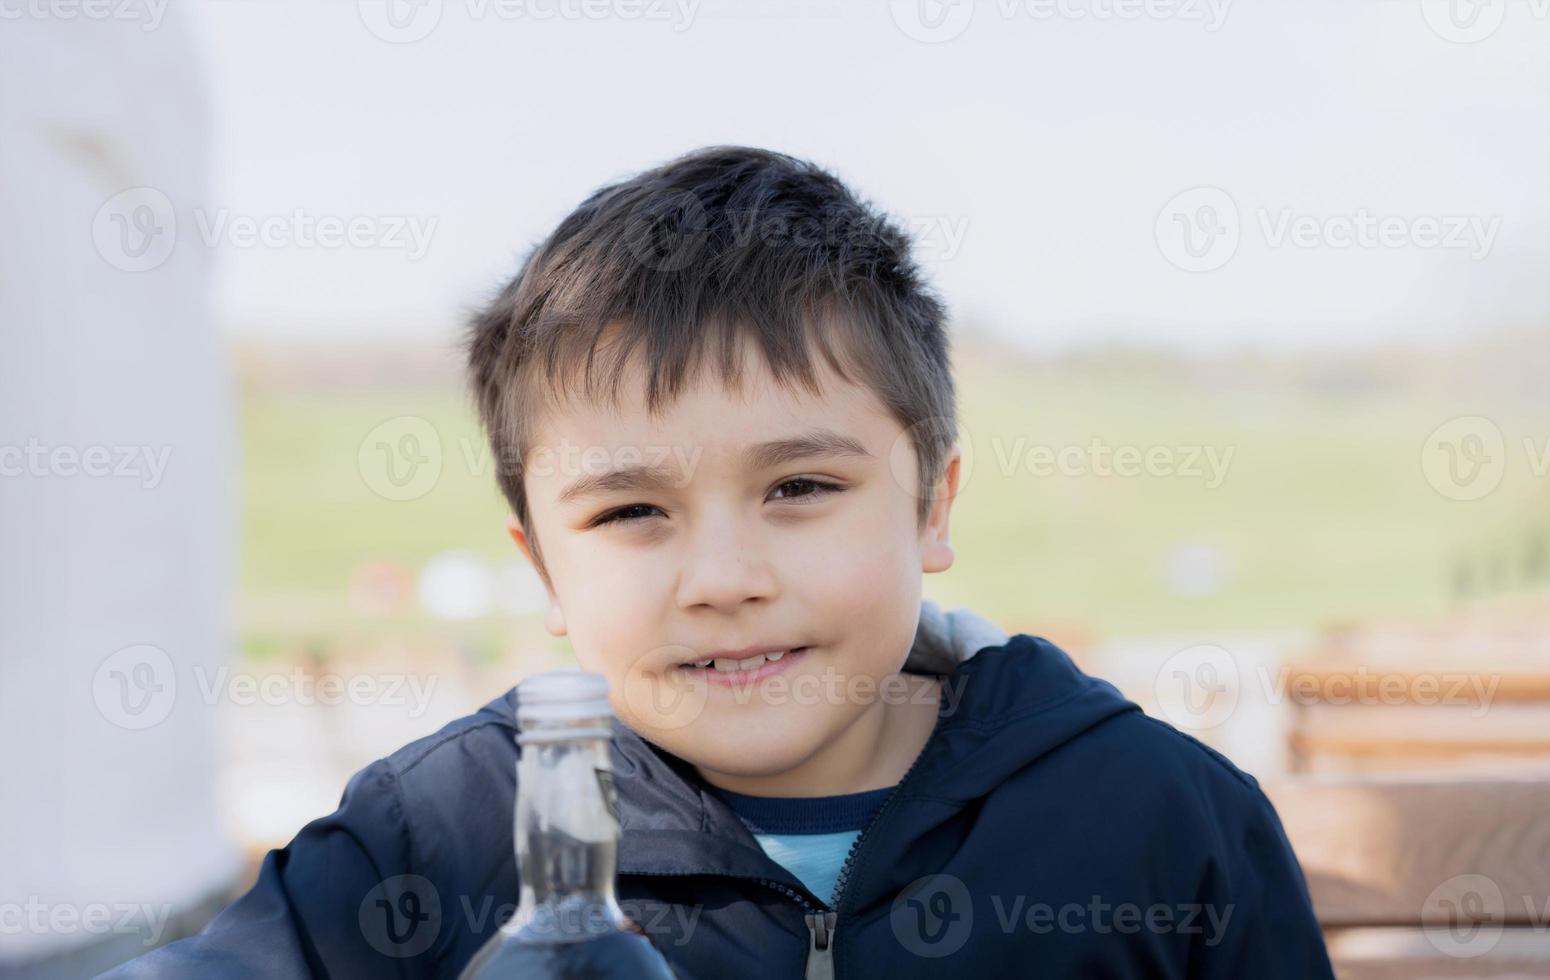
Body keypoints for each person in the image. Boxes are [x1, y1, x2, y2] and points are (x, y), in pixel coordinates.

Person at [103, 146, 1334, 978]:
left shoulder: (1160, 822)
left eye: (799, 488)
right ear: (542, 570)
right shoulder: (436, 833)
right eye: (632, 511)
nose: (722, 574)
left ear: (930, 506)